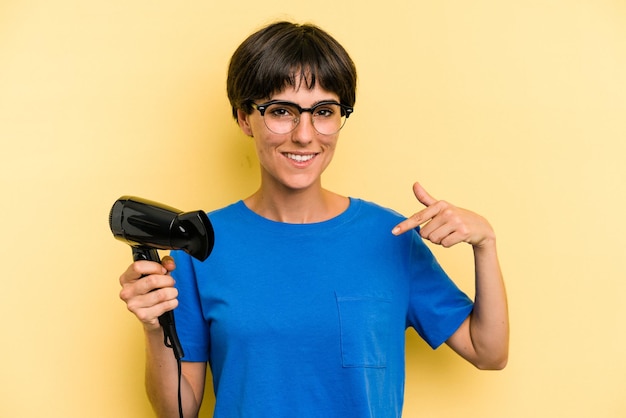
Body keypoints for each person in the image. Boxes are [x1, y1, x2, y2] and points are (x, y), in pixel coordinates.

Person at [118, 21, 508, 418]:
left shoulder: (391, 236)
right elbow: (177, 412)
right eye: (281, 111)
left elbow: (488, 351)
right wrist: (154, 326)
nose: (304, 135)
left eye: (323, 111)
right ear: (242, 118)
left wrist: (486, 244)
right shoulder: (199, 246)